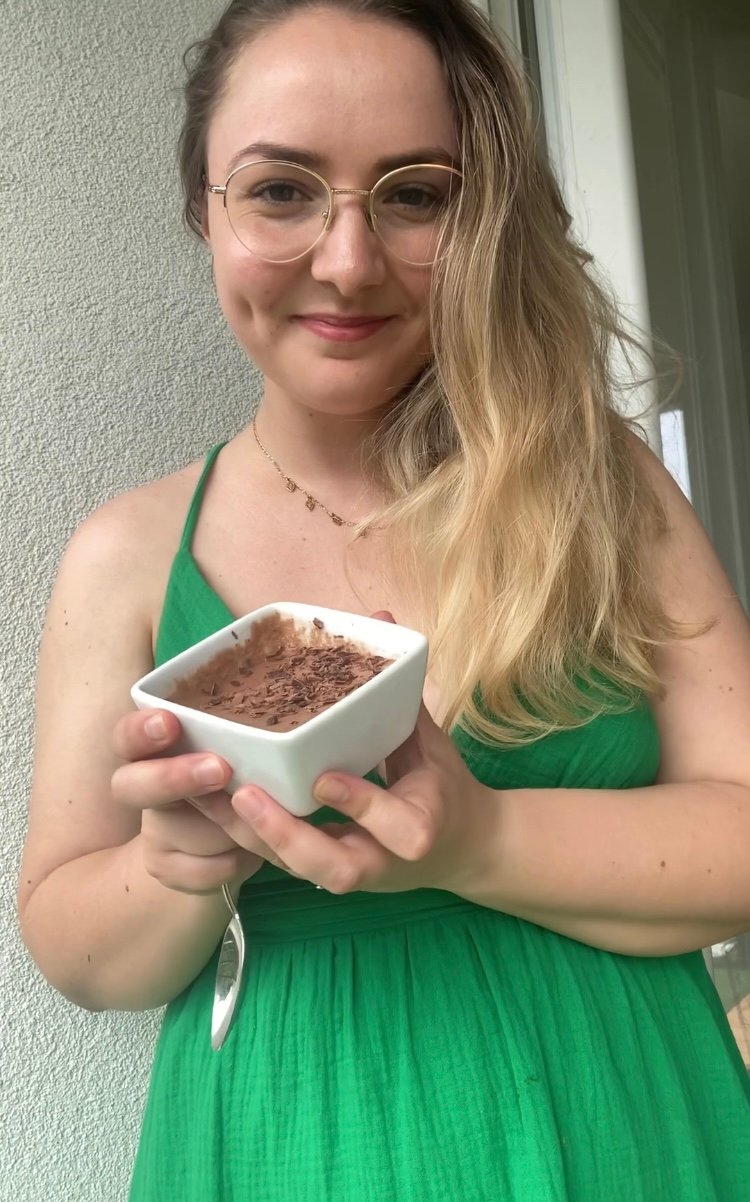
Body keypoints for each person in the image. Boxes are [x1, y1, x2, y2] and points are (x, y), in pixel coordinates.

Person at [17, 1, 750, 1198]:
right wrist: (176, 865)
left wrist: (480, 839)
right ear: (202, 206)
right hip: (293, 1142)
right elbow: (79, 955)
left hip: (628, 1120)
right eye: (280, 190)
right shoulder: (128, 555)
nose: (349, 261)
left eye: (416, 195)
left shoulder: (602, 490)